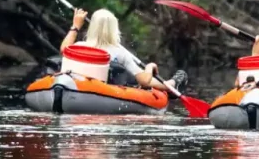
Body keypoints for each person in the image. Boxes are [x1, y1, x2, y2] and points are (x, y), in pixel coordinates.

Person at [58, 7, 189, 94]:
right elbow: (144, 80)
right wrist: (150, 66)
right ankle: (170, 85)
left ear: (92, 27)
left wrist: (75, 26)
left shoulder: (80, 46)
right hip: (103, 93)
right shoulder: (120, 53)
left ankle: (170, 86)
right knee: (136, 78)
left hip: (82, 90)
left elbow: (64, 50)